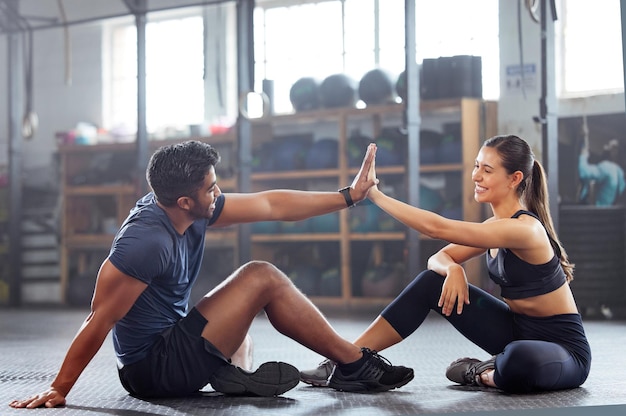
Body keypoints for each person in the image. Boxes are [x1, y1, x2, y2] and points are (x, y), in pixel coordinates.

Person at [10, 140, 414, 409]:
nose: (219, 193)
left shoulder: (188, 206)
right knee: (261, 276)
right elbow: (99, 319)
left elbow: (271, 205)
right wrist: (59, 388)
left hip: (172, 342)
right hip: (153, 369)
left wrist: (348, 196)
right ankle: (354, 364)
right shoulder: (145, 242)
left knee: (242, 330)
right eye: (212, 189)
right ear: (185, 200)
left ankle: (234, 374)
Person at [301, 135, 591, 393]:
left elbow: (436, 228)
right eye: (477, 166)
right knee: (431, 281)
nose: (476, 176)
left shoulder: (525, 230)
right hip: (514, 330)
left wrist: (374, 195)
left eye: (487, 170)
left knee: (519, 359)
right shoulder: (494, 226)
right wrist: (453, 268)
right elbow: (437, 256)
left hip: (562, 350)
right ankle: (348, 359)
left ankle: (481, 373)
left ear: (514, 178)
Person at [578, 139, 625, 206]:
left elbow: (584, 173)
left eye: (608, 145)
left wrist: (583, 155)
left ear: (615, 151)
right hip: (610, 214)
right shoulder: (621, 173)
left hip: (597, 214)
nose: (604, 147)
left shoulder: (607, 167)